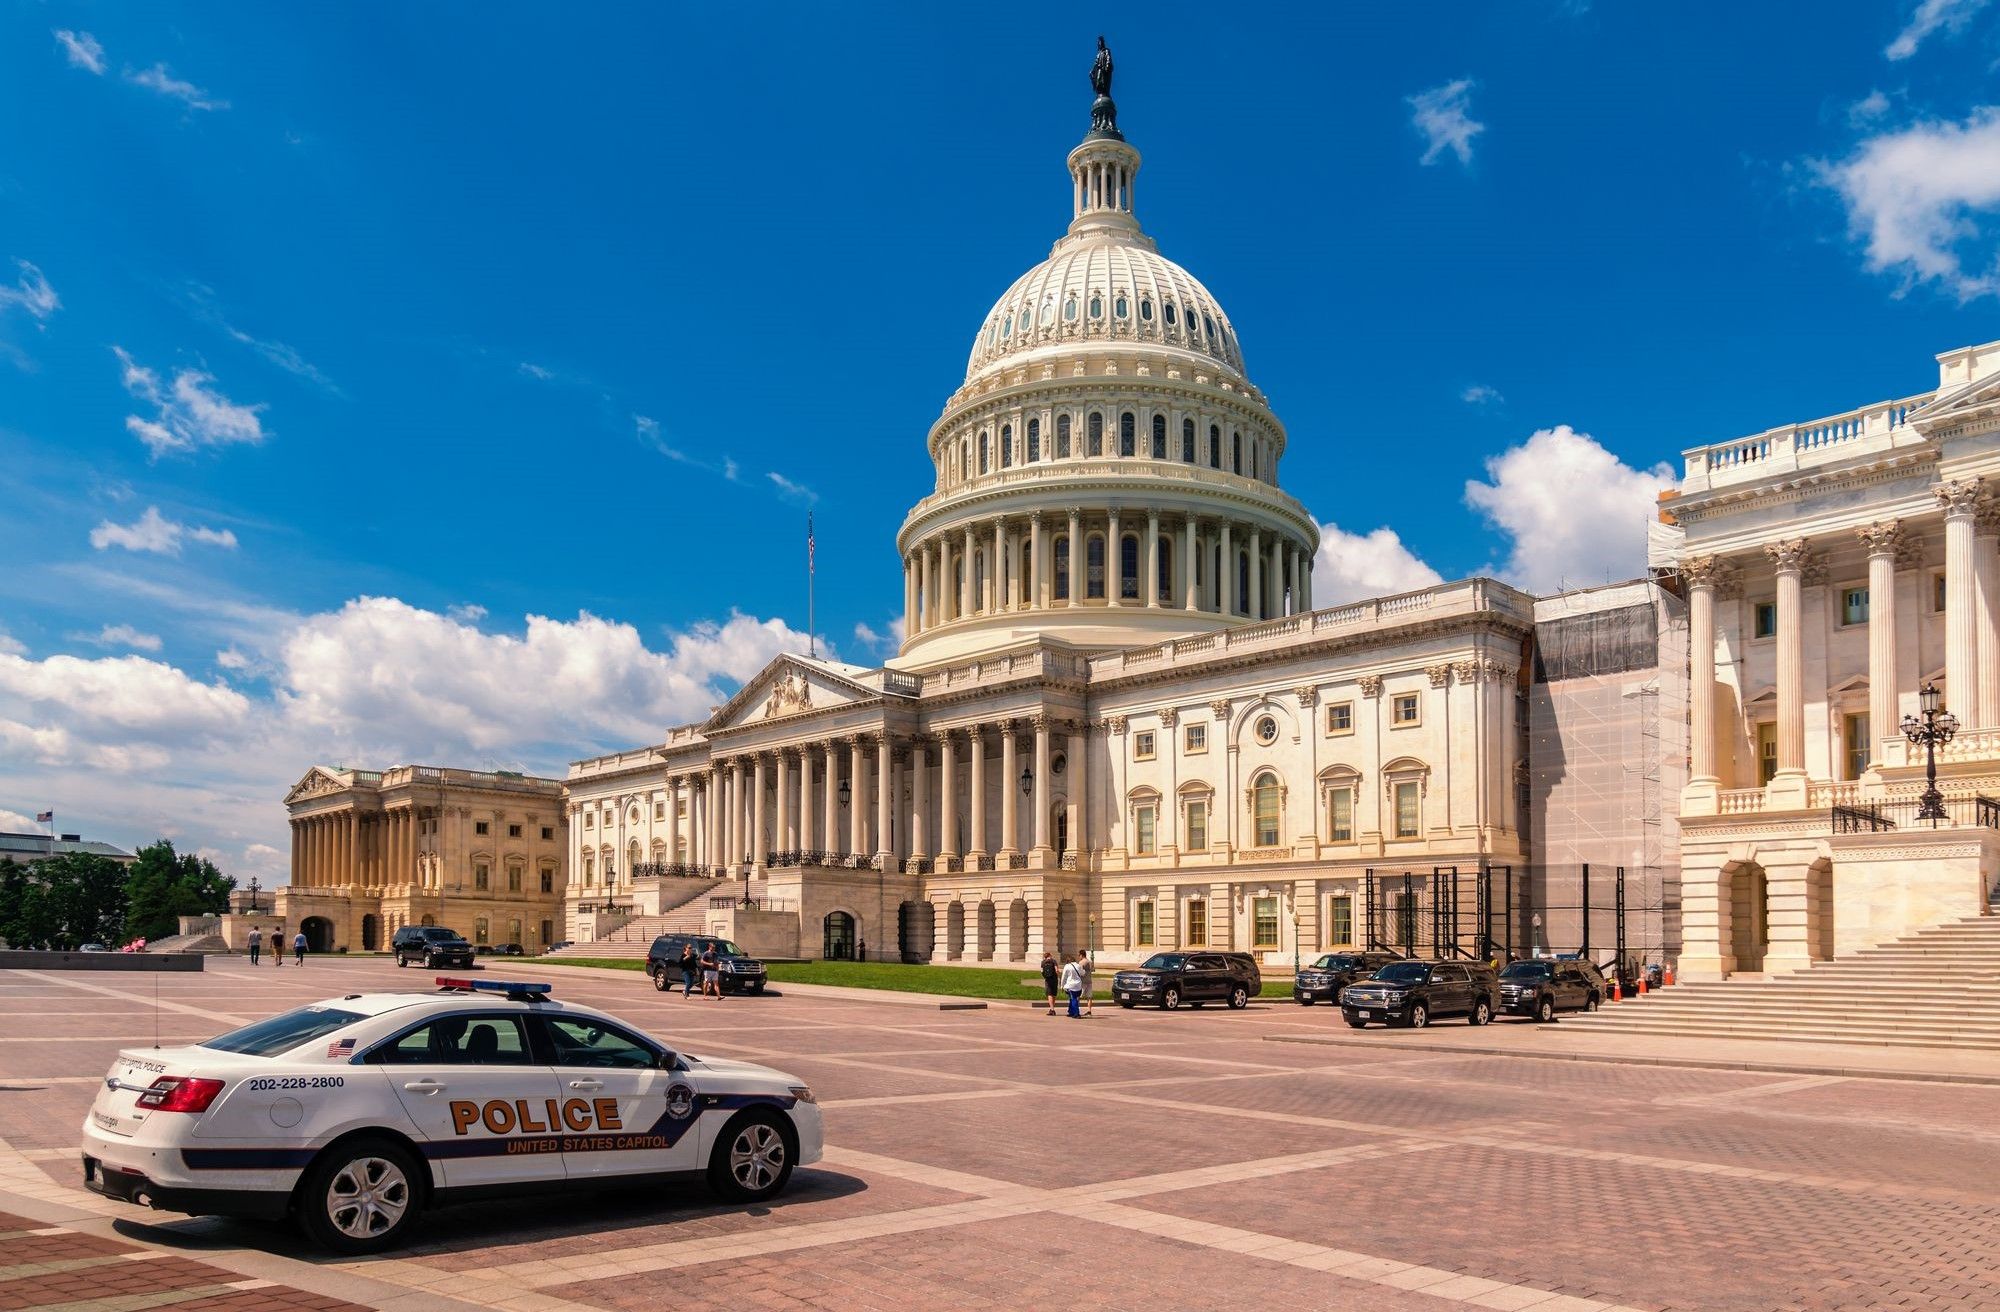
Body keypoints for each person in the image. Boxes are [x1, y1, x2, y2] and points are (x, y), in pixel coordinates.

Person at [1059, 954, 1084, 1019]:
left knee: (1073, 999)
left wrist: (1062, 985)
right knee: (1073, 998)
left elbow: (1064, 977)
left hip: (1070, 985)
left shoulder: (1067, 966)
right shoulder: (1078, 965)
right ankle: (1071, 1011)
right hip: (1078, 985)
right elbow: (1083, 973)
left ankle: (1076, 1013)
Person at [1040, 951, 1060, 1015]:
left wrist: (1045, 976)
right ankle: (1052, 1008)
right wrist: (1058, 976)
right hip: (1054, 979)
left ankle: (1052, 1009)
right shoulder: (1054, 961)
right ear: (1050, 955)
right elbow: (1056, 970)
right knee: (1053, 994)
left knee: (1049, 994)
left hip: (1048, 979)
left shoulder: (1043, 962)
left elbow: (1042, 971)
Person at [1078, 951, 1095, 1016]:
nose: (1079, 957)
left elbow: (1079, 972)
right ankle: (1089, 1011)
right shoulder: (1090, 962)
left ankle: (1076, 1010)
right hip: (1089, 980)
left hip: (1083, 981)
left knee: (1078, 996)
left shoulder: (1081, 962)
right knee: (1089, 997)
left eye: (1079, 955)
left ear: (1082, 955)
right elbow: (1092, 970)